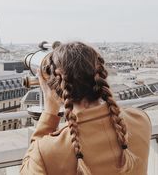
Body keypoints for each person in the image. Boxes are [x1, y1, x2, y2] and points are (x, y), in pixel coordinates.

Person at [20, 42, 151, 175]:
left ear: (57, 87)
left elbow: (29, 167)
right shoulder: (140, 120)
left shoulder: (46, 152)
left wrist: (50, 109)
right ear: (100, 76)